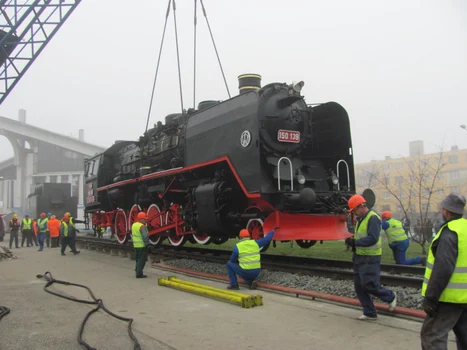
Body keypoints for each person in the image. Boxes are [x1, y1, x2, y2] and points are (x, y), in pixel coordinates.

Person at [420, 193, 467, 350]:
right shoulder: (465, 228)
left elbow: (443, 269)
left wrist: (431, 299)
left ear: (446, 211)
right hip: (464, 297)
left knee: (432, 336)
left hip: (448, 298)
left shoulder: (449, 232)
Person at [345, 194, 397, 320]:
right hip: (360, 256)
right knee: (359, 286)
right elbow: (361, 236)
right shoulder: (361, 219)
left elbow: (372, 238)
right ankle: (369, 312)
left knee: (369, 284)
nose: (354, 214)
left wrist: (355, 242)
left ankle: (390, 296)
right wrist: (352, 240)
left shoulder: (373, 218)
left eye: (354, 211)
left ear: (361, 206)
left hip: (370, 257)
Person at [131, 212, 149, 278]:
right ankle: (139, 274)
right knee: (142, 260)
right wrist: (147, 244)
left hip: (136, 246)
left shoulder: (134, 225)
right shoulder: (142, 226)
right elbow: (145, 236)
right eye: (144, 219)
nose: (145, 220)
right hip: (142, 246)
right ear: (141, 219)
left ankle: (137, 270)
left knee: (138, 259)